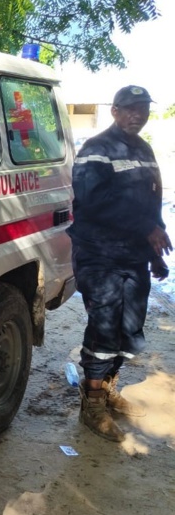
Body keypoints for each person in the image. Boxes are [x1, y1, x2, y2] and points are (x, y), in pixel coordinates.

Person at [67, 84, 170, 442]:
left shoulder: (144, 149)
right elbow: (94, 202)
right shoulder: (96, 149)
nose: (137, 115)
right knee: (104, 325)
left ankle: (109, 387)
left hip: (133, 256)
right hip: (99, 254)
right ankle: (92, 402)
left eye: (143, 109)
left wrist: (154, 251)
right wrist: (147, 229)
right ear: (114, 111)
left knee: (130, 328)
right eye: (129, 108)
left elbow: (151, 202)